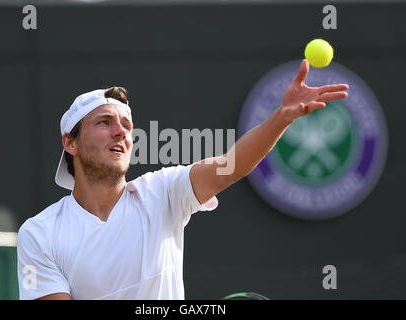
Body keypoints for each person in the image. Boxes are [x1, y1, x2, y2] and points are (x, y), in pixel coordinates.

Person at [17, 59, 349, 300]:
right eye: (104, 122)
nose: (120, 131)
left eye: (127, 126)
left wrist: (281, 118)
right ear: (70, 142)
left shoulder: (163, 190)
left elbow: (230, 165)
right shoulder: (39, 233)